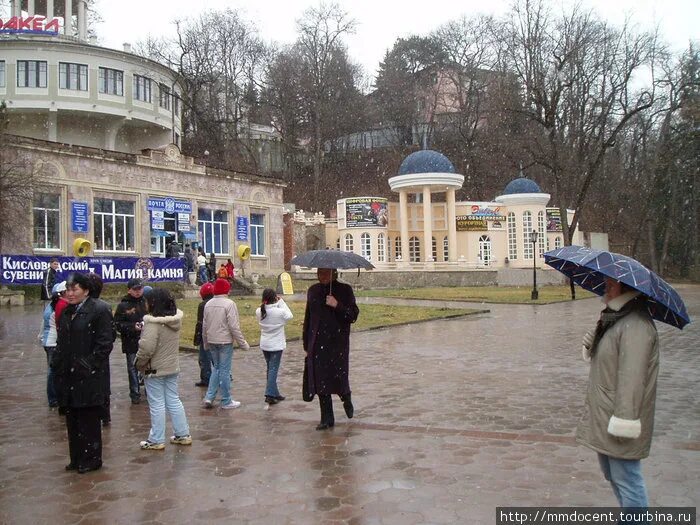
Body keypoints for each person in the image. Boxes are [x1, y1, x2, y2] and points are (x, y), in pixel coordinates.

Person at [577, 277, 659, 512]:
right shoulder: (617, 319)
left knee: (627, 479)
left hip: (621, 418)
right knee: (614, 475)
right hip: (607, 413)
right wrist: (597, 335)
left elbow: (631, 381)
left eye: (611, 285)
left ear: (627, 290)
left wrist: (624, 423)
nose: (606, 288)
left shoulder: (636, 326)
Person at [52, 273, 114, 473]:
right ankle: (76, 457)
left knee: (88, 420)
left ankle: (91, 458)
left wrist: (87, 365)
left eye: (74, 289)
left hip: (89, 376)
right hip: (68, 375)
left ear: (86, 290)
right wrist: (57, 363)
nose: (70, 294)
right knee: (72, 418)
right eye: (68, 290)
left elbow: (104, 343)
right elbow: (62, 341)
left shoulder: (99, 309)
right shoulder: (67, 311)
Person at [302, 268, 359, 430]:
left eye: (325, 273)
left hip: (337, 344)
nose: (322, 276)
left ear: (334, 273)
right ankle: (326, 418)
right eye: (319, 273)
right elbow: (308, 317)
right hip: (317, 343)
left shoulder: (344, 290)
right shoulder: (313, 291)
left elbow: (352, 315)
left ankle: (346, 397)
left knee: (339, 377)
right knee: (321, 382)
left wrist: (337, 305)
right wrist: (307, 341)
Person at [135, 288, 192, 450]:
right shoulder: (173, 321)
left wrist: (139, 364)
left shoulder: (153, 324)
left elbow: (146, 348)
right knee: (173, 400)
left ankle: (156, 439)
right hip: (171, 366)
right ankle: (183, 433)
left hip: (155, 369)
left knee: (157, 403)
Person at [202, 278, 249, 409]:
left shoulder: (208, 304)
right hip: (224, 341)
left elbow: (204, 326)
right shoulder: (229, 304)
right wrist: (243, 343)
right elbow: (234, 326)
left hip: (212, 340)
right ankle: (226, 399)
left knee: (216, 369)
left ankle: (209, 397)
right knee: (224, 370)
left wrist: (205, 342)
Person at [256, 289, 293, 405]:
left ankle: (275, 392)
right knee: (273, 369)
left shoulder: (259, 311)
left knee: (270, 368)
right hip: (276, 345)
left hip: (265, 343)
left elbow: (267, 309)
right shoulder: (279, 312)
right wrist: (281, 302)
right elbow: (289, 315)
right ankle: (269, 394)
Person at [113, 278, 147, 404]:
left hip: (145, 340)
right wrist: (133, 327)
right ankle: (135, 393)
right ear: (129, 290)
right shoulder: (123, 305)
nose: (138, 292)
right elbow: (117, 324)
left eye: (140, 289)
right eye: (135, 289)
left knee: (147, 367)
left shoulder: (146, 302)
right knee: (132, 367)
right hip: (130, 341)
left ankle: (148, 390)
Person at [38, 281, 66, 408]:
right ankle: (53, 398)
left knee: (53, 369)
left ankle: (54, 396)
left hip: (49, 341)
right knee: (53, 370)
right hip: (52, 342)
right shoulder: (56, 308)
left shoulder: (51, 306)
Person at [194, 282, 214, 387]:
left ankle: (206, 378)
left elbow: (200, 323)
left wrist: (197, 336)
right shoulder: (217, 302)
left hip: (205, 334)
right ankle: (223, 376)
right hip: (216, 334)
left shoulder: (202, 305)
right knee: (217, 358)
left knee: (204, 357)